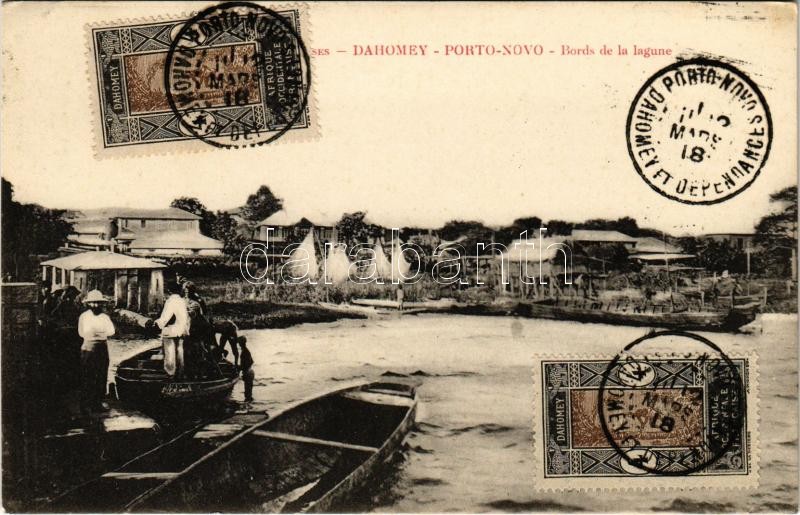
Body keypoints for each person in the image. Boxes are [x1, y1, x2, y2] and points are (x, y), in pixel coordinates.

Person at [77, 290, 115, 414]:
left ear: (101, 304)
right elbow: (81, 332)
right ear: (88, 304)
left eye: (97, 303)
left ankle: (97, 402)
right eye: (92, 303)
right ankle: (85, 403)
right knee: (87, 375)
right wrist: (93, 334)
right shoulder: (84, 316)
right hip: (88, 348)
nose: (95, 306)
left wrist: (100, 333)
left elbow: (111, 331)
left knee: (101, 375)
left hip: (102, 349)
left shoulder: (105, 317)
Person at [155, 281, 190, 378]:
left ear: (169, 291)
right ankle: (181, 372)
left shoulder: (171, 301)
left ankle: (170, 373)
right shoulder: (181, 301)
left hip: (171, 329)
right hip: (181, 328)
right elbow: (185, 317)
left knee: (169, 351)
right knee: (180, 350)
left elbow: (166, 317)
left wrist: (157, 323)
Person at [239, 337, 254, 403]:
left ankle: (248, 408)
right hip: (250, 372)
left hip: (247, 372)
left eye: (239, 342)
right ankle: (250, 407)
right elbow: (252, 361)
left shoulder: (244, 352)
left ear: (240, 343)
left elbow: (244, 365)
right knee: (249, 393)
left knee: (247, 394)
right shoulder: (246, 351)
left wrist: (239, 368)